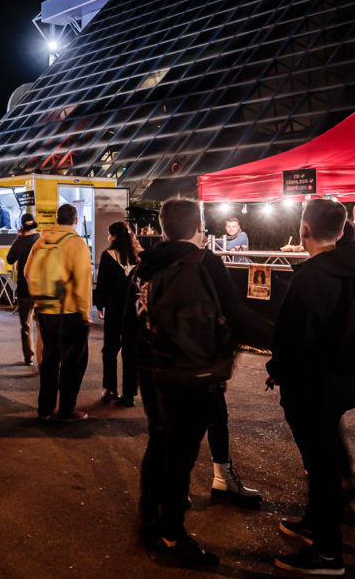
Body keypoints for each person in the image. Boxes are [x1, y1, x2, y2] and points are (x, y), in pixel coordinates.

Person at [266, 199, 355, 575]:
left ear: (304, 231)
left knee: (321, 467)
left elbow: (292, 335)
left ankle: (328, 554)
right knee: (322, 460)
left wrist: (276, 369)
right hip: (341, 379)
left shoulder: (310, 276)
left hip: (309, 385)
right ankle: (315, 523)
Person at [135, 199, 245, 568]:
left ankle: (150, 516)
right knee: (181, 454)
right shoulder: (205, 261)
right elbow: (236, 314)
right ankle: (171, 537)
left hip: (153, 366)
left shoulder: (148, 264)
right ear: (198, 224)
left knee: (161, 440)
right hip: (191, 370)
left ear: (163, 228)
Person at [24, 203, 92, 422]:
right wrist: (84, 312)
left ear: (56, 218)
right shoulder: (76, 243)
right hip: (70, 311)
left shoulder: (41, 241)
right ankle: (66, 409)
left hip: (44, 309)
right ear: (75, 219)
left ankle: (45, 408)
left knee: (49, 360)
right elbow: (82, 279)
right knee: (73, 363)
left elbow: (27, 272)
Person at [93, 221, 139, 406]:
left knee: (110, 350)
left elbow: (102, 283)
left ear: (113, 236)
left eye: (109, 234)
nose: (107, 237)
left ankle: (110, 389)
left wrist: (99, 305)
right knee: (130, 351)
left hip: (114, 308)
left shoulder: (107, 255)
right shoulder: (137, 256)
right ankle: (129, 395)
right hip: (133, 310)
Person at [5, 214, 41, 365]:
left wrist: (18, 238)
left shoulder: (19, 242)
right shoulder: (41, 240)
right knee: (42, 324)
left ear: (22, 227)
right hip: (41, 289)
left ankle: (29, 356)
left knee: (26, 324)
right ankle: (43, 353)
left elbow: (9, 259)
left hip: (24, 289)